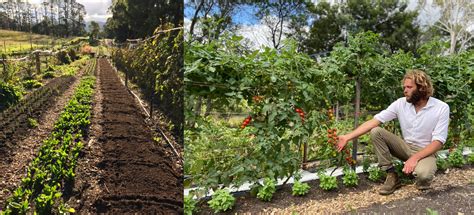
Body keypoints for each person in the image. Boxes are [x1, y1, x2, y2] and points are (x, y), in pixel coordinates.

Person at [336, 69, 450, 195]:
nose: (405, 90)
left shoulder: (441, 108)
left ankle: (419, 175)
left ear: (422, 88)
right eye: (404, 87)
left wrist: (415, 158)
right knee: (376, 131)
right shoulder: (400, 104)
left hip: (426, 152)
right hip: (405, 147)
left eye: (409, 87)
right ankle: (392, 175)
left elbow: (438, 142)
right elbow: (374, 122)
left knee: (423, 176)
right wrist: (347, 137)